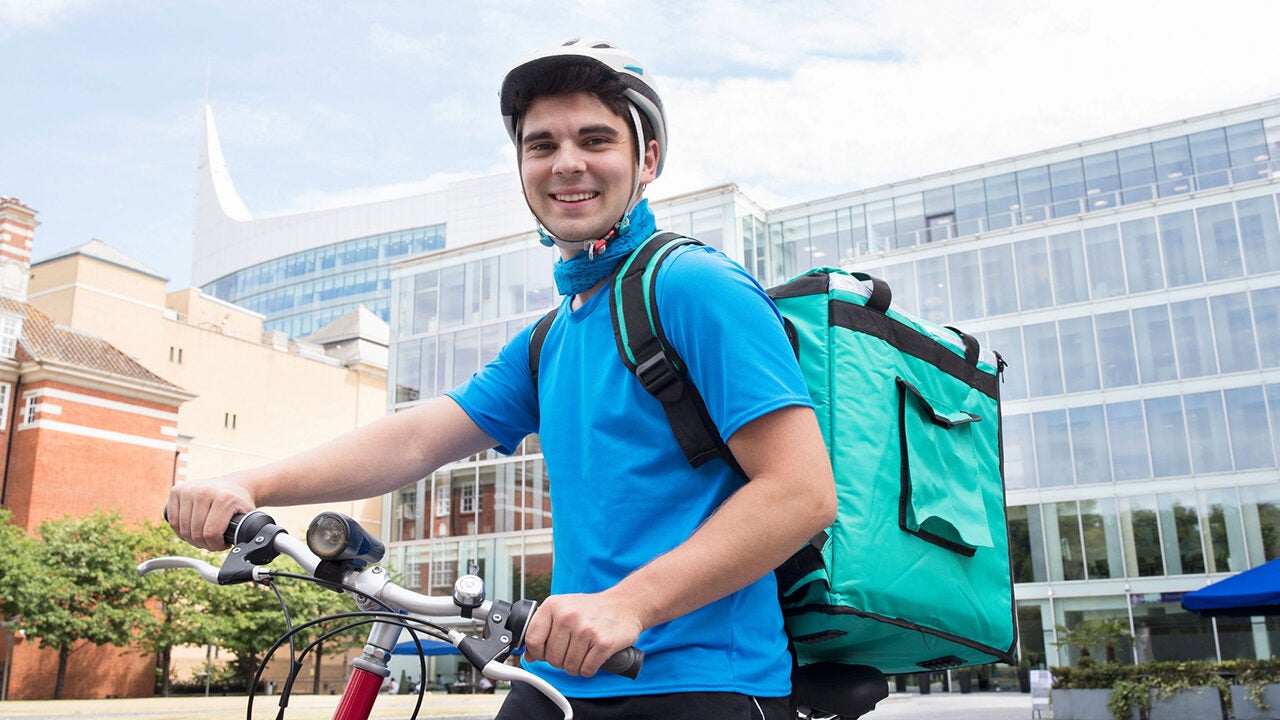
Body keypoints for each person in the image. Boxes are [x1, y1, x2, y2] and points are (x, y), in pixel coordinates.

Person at [166, 38, 835, 720]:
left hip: (700, 684)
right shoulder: (554, 336)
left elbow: (802, 492)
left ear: (648, 160)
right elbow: (418, 439)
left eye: (595, 138)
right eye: (541, 144)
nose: (567, 163)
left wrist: (629, 605)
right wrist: (250, 484)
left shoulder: (695, 285)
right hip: (556, 681)